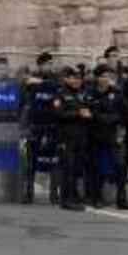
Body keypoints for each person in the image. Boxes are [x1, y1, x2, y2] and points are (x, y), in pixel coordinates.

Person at [88, 64, 128, 210]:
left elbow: (127, 113)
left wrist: (118, 121)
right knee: (97, 169)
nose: (106, 79)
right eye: (103, 76)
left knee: (120, 167)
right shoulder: (91, 94)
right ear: (97, 78)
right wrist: (112, 118)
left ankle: (122, 199)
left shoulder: (117, 93)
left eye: (109, 76)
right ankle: (96, 198)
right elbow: (93, 115)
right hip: (96, 136)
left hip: (114, 137)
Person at [23, 52, 61, 204]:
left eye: (51, 64)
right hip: (35, 126)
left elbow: (58, 87)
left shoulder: (54, 80)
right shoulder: (29, 80)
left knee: (53, 161)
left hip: (52, 126)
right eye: (47, 64)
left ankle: (54, 194)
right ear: (40, 65)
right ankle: (28, 193)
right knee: (31, 161)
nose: (50, 67)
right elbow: (24, 88)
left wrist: (39, 82)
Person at [54, 66, 92, 210]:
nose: (77, 81)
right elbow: (58, 114)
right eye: (73, 78)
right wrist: (77, 113)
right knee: (68, 168)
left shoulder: (84, 94)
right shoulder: (61, 94)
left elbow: (91, 109)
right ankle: (66, 199)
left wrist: (88, 113)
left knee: (77, 168)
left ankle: (75, 196)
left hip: (81, 136)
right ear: (67, 79)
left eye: (79, 79)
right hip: (66, 137)